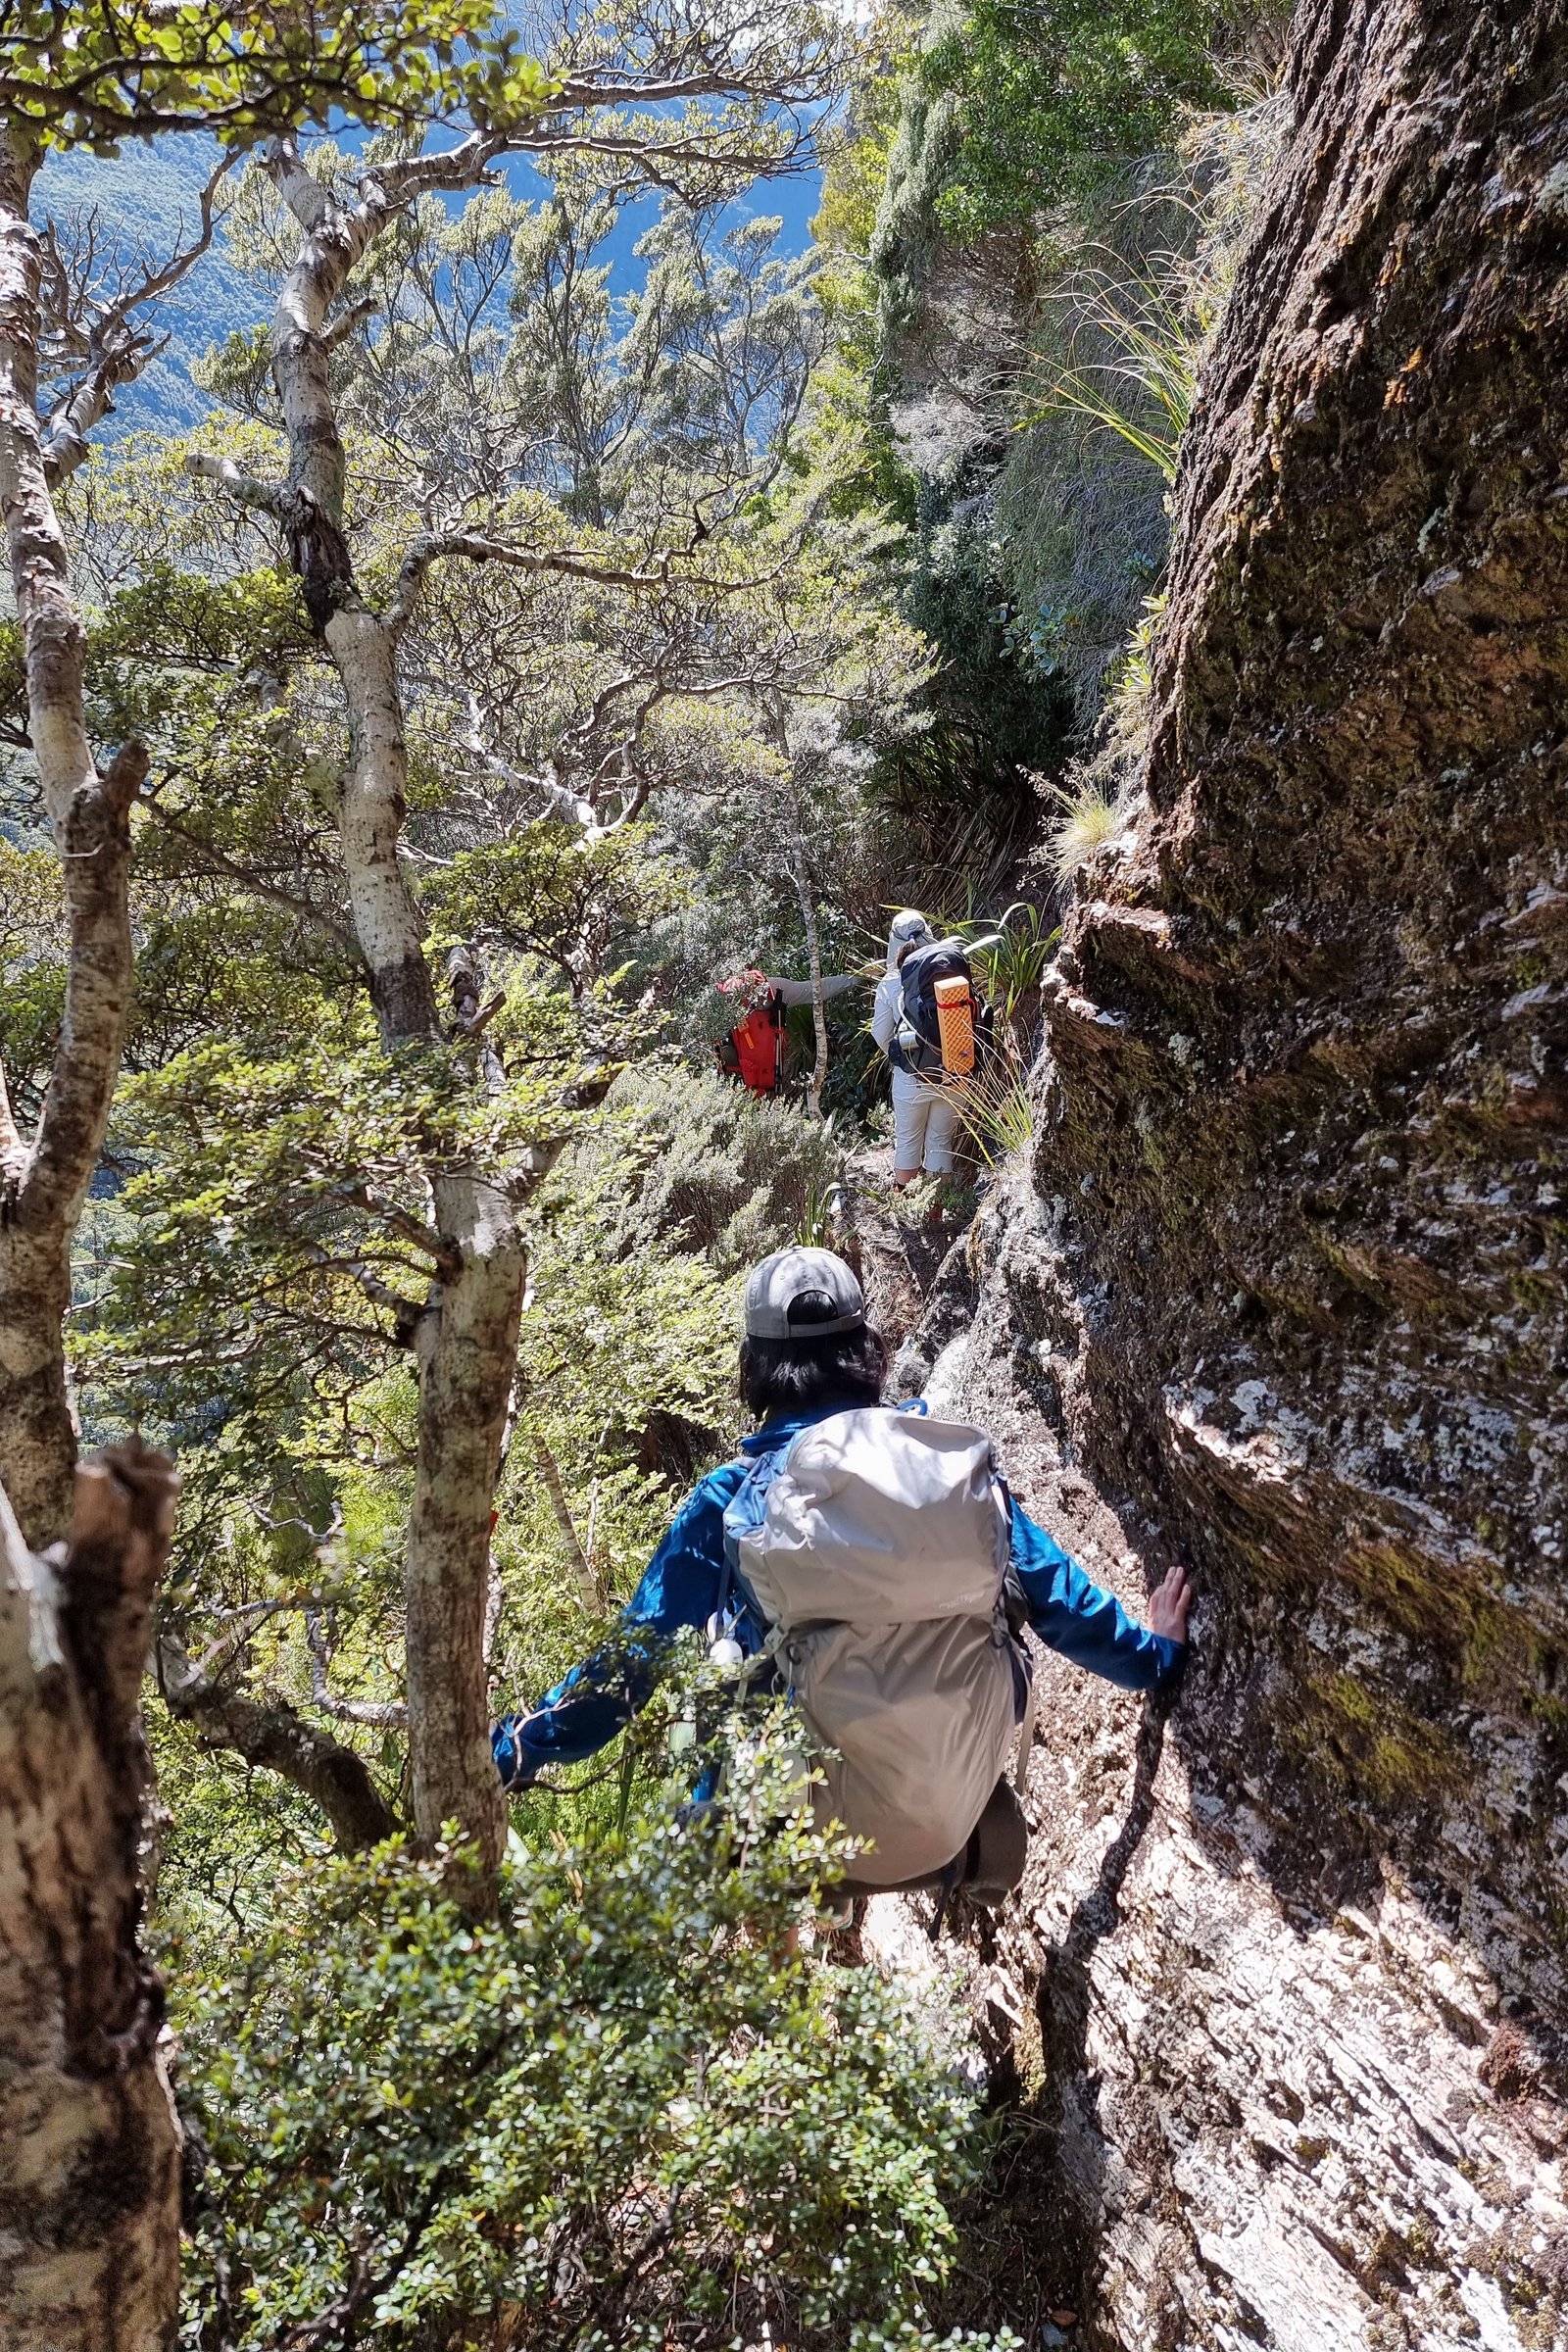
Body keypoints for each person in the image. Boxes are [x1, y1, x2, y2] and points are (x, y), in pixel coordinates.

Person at [493, 1247, 1191, 1901]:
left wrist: (513, 1747)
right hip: (954, 1828)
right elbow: (1062, 1604)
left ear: (755, 1365)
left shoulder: (731, 1499)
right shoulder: (948, 1475)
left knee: (710, 1684)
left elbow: (628, 1670)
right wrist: (1156, 1655)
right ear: (867, 1350)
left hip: (797, 1843)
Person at [871, 910, 957, 1189]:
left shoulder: (890, 982)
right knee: (941, 1143)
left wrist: (903, 1057)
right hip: (955, 1071)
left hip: (912, 1079)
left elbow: (880, 1034)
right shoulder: (949, 969)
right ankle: (936, 1212)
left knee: (908, 1141)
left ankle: (907, 1206)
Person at [715, 965, 864, 1097]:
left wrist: (856, 978)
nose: (760, 1002)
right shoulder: (772, 990)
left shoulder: (774, 991)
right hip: (748, 1088)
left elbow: (815, 990)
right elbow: (815, 990)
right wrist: (856, 978)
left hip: (753, 1088)